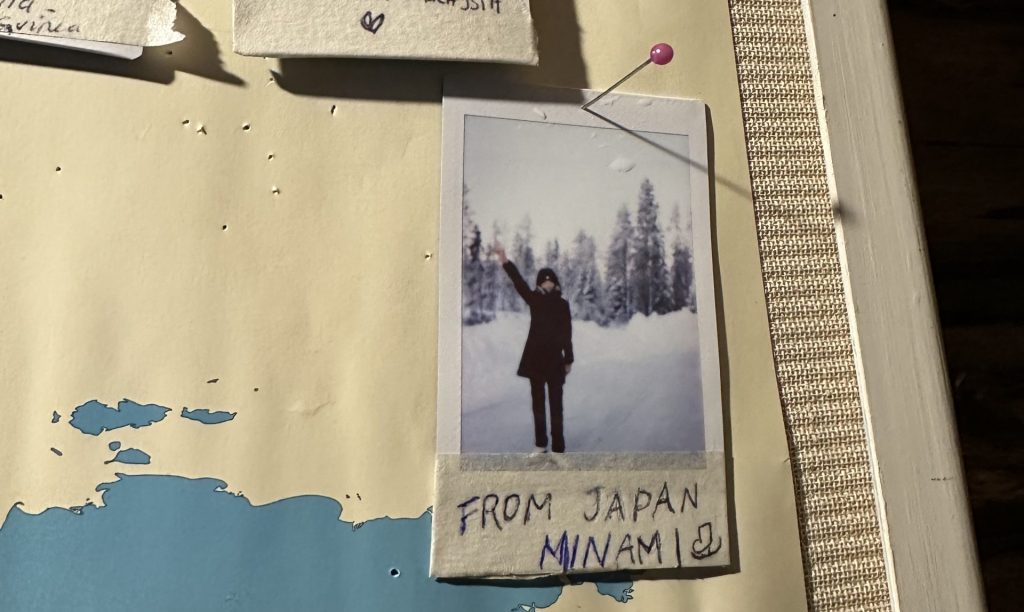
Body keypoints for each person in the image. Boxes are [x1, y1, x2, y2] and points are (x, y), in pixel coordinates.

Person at [495, 244, 574, 453]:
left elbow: (567, 333)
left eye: (550, 281)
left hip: (556, 362)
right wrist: (505, 260)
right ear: (539, 284)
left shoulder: (563, 304)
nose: (548, 284)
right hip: (536, 362)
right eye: (544, 281)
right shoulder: (534, 300)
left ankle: (558, 447)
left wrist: (568, 359)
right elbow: (518, 282)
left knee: (556, 407)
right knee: (538, 406)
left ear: (555, 283)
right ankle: (540, 445)